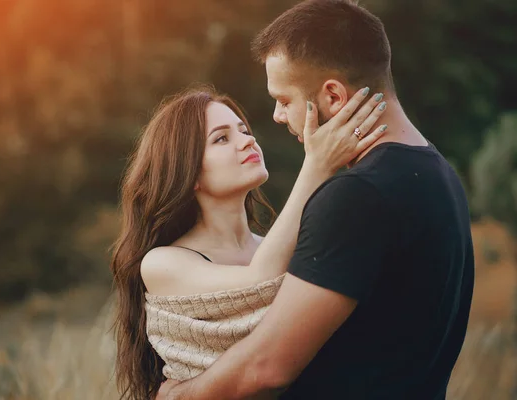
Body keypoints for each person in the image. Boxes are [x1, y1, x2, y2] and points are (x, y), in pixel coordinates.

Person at [157, 0, 475, 399]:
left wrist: (179, 395)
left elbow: (266, 367)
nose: (274, 116)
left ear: (334, 97)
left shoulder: (357, 196)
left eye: (285, 100)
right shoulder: (440, 174)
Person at [111, 84, 388, 399]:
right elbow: (256, 282)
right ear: (190, 174)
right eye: (222, 138)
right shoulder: (163, 262)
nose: (248, 140)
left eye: (243, 131)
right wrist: (318, 165)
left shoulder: (273, 247)